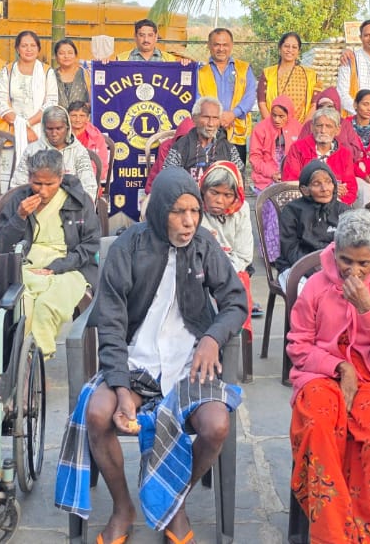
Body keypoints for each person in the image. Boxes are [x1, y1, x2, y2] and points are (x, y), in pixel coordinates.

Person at [54, 167, 246, 544]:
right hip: (136, 361)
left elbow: (235, 301)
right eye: (179, 212)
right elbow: (108, 321)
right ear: (159, 211)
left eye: (194, 211)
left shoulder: (204, 245)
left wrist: (211, 337)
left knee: (216, 426)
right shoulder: (129, 247)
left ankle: (173, 500)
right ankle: (123, 506)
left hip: (189, 363)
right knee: (97, 411)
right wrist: (122, 387)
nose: (189, 222)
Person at [287, 208, 370, 542]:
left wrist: (367, 309)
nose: (355, 271)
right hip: (323, 373)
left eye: (365, 263)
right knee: (318, 427)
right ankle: (332, 535)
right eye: (347, 260)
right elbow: (298, 346)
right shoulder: (316, 285)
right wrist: (338, 367)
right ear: (335, 250)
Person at [0, 149, 100, 356]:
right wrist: (20, 217)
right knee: (21, 305)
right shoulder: (18, 201)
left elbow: (90, 244)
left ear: (61, 177)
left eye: (50, 184)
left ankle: (37, 362)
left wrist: (56, 268)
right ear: (29, 179)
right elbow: (1, 248)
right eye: (37, 183)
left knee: (46, 306)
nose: (43, 191)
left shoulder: (78, 202)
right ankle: (22, 364)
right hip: (25, 268)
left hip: (70, 268)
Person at [276, 161, 352, 288]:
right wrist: (315, 270)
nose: (325, 188)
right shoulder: (292, 211)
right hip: (297, 266)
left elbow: (351, 246)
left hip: (336, 268)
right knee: (306, 295)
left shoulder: (343, 211)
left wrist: (334, 269)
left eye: (329, 182)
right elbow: (290, 250)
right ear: (305, 190)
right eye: (317, 184)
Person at [199, 160, 256, 327]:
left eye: (227, 195)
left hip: (232, 268)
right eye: (214, 192)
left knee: (238, 293)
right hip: (200, 269)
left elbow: (244, 255)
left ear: (236, 196)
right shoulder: (195, 208)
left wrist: (222, 274)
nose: (219, 200)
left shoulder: (242, 210)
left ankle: (234, 340)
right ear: (203, 191)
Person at [10, 105, 98, 197]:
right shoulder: (32, 150)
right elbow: (18, 184)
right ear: (44, 128)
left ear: (67, 128)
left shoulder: (78, 151)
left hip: (71, 205)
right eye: (50, 129)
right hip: (37, 203)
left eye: (59, 128)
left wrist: (81, 206)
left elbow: (89, 186)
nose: (54, 133)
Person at [199, 28, 258, 160]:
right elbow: (197, 98)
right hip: (208, 131)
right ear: (209, 46)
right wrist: (216, 118)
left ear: (231, 46)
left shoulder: (244, 68)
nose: (221, 49)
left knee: (235, 174)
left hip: (236, 132)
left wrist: (233, 114)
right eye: (216, 44)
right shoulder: (200, 70)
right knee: (210, 175)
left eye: (225, 45)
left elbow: (250, 96)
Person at [0, 30, 56, 155]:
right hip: (11, 132)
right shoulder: (7, 71)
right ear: (17, 49)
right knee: (11, 172)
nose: (29, 49)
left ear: (38, 49)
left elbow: (51, 102)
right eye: (24, 46)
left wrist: (27, 124)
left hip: (39, 132)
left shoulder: (47, 71)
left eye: (33, 46)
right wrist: (23, 128)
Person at [281, 107, 358, 205]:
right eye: (319, 125)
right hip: (304, 204)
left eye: (329, 126)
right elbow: (290, 182)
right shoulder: (298, 148)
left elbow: (350, 189)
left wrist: (334, 200)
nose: (323, 130)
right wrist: (330, 190)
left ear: (337, 130)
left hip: (335, 206)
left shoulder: (345, 154)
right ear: (312, 127)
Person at [163, 96, 245, 183]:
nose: (211, 123)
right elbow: (168, 178)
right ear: (194, 119)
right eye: (206, 117)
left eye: (215, 118)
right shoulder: (181, 146)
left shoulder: (228, 148)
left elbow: (239, 178)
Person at [336, 88, 370, 207]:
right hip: (349, 172)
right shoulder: (344, 125)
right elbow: (343, 155)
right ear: (355, 105)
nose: (369, 108)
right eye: (365, 104)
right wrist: (362, 174)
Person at [258, 32, 319, 124]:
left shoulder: (310, 75)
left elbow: (314, 105)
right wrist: (273, 126)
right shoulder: (268, 73)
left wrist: (302, 129)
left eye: (294, 47)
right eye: (286, 46)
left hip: (300, 129)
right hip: (273, 128)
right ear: (280, 48)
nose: (290, 50)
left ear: (298, 51)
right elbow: (261, 103)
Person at [247, 95, 304, 193]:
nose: (276, 120)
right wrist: (271, 173)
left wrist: (290, 173)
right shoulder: (260, 128)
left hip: (292, 177)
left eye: (281, 116)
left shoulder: (298, 128)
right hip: (265, 177)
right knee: (271, 203)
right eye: (274, 115)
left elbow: (301, 156)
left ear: (289, 115)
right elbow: (255, 158)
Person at [66, 100, 110, 180]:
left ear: (88, 118)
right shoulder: (61, 134)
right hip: (66, 182)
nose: (77, 119)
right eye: (74, 115)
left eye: (82, 116)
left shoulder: (96, 137)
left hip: (90, 182)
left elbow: (102, 170)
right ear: (67, 117)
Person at [51, 37, 91, 109]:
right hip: (57, 118)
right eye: (61, 53)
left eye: (70, 53)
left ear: (76, 55)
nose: (66, 56)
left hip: (80, 118)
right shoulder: (51, 75)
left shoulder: (86, 73)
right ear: (56, 57)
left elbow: (93, 101)